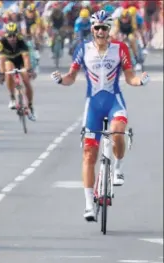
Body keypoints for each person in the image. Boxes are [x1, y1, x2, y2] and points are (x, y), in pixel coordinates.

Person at [51, 10, 150, 221]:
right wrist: (61, 80)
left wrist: (140, 81)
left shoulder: (120, 48)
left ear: (109, 29)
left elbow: (130, 77)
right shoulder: (83, 49)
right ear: (92, 29)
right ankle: (88, 204)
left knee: (117, 133)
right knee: (89, 155)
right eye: (97, 27)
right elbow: (71, 76)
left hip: (114, 101)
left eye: (105, 27)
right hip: (93, 105)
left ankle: (118, 167)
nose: (101, 31)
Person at [0, 22, 36, 121]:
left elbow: (26, 58)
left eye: (14, 35)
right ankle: (12, 97)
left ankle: (30, 105)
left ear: (17, 34)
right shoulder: (1, 42)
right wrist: (2, 74)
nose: (12, 38)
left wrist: (29, 70)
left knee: (26, 81)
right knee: (8, 70)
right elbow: (1, 60)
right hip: (9, 61)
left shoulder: (21, 41)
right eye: (10, 35)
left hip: (21, 61)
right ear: (6, 35)